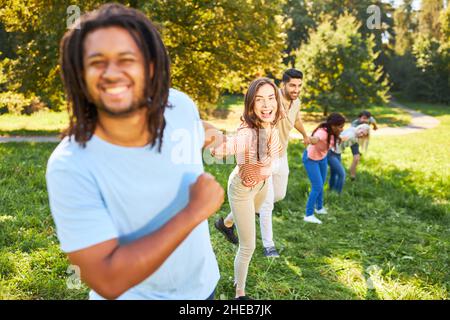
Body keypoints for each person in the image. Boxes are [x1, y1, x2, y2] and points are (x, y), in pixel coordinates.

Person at [46, 3, 225, 300]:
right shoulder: (69, 166)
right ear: (80, 74)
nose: (112, 73)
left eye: (127, 59)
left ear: (150, 66)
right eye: (97, 61)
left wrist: (213, 135)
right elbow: (107, 280)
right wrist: (194, 212)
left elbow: (189, 131)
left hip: (203, 289)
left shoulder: (179, 105)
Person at [214, 69, 310, 257]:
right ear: (283, 84)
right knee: (266, 204)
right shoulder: (271, 99)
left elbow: (296, 118)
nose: (296, 89)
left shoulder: (296, 102)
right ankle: (269, 246)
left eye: (299, 85)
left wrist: (306, 134)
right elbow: (253, 112)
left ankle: (226, 223)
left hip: (281, 154)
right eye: (292, 85)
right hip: (260, 157)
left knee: (278, 195)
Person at [208, 78, 283, 300]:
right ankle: (239, 293)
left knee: (254, 211)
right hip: (242, 188)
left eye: (271, 98)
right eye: (259, 100)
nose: (266, 104)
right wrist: (218, 148)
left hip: (262, 184)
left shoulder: (270, 123)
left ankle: (225, 223)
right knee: (248, 246)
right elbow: (229, 146)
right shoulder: (248, 133)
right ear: (251, 104)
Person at [302, 113, 346, 224]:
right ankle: (308, 214)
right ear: (333, 126)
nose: (342, 129)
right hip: (311, 159)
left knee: (321, 184)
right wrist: (310, 140)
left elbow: (332, 140)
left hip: (322, 158)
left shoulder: (332, 133)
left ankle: (319, 207)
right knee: (317, 186)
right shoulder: (322, 132)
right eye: (340, 127)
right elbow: (316, 138)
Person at [328, 124, 371, 193]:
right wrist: (342, 138)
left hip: (337, 153)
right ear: (359, 128)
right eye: (361, 132)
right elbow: (344, 137)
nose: (361, 135)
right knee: (342, 174)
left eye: (364, 135)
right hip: (331, 153)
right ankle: (337, 193)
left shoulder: (354, 132)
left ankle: (331, 191)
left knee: (334, 173)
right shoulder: (351, 134)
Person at [349, 111, 378, 180]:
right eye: (364, 118)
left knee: (360, 152)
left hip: (363, 139)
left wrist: (375, 127)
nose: (366, 120)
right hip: (354, 140)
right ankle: (352, 176)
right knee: (356, 158)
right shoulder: (354, 124)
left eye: (367, 118)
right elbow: (351, 135)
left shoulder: (370, 119)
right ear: (359, 118)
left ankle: (359, 153)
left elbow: (373, 121)